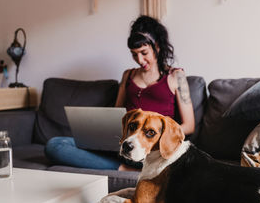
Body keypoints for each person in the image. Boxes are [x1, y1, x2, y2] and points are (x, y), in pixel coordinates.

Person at [45, 15, 195, 171]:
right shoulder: (128, 75)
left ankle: (124, 167)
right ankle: (124, 168)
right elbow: (116, 114)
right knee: (55, 145)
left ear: (157, 47)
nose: (140, 60)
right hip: (124, 142)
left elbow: (189, 125)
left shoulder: (176, 76)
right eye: (134, 54)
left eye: (144, 53)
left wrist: (158, 137)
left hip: (152, 148)